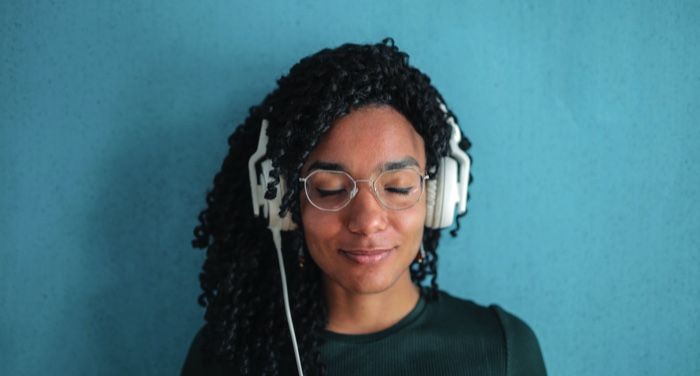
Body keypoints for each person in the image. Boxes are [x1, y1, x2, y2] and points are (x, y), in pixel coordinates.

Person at [181, 39, 546, 376]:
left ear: (437, 196)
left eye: (398, 187)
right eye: (329, 190)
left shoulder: (501, 349)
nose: (368, 221)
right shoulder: (228, 356)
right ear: (283, 204)